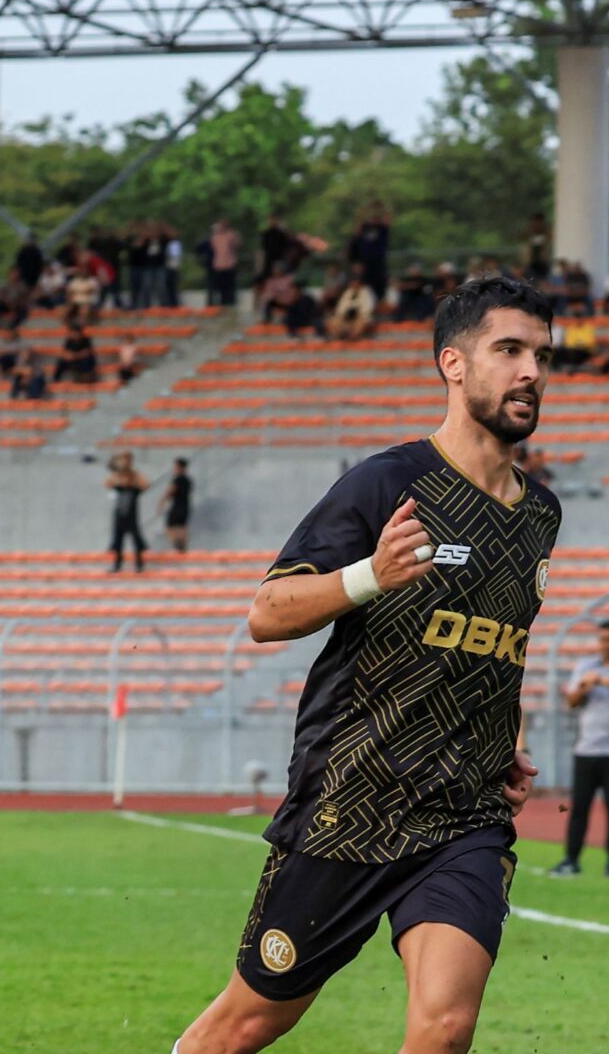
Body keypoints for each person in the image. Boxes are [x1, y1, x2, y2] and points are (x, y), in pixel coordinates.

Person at [175, 275, 558, 1054]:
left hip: (464, 815)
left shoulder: (541, 512)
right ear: (453, 363)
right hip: (352, 805)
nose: (531, 371)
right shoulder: (387, 483)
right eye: (509, 349)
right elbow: (265, 613)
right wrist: (368, 576)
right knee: (247, 1024)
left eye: (542, 355)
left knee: (445, 1027)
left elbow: (495, 643)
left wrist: (507, 737)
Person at [554, 620, 609, 878]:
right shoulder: (585, 666)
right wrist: (585, 686)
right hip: (586, 749)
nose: (605, 645)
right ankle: (571, 859)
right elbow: (571, 701)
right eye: (602, 639)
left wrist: (601, 679)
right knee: (579, 808)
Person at [105, 452, 149, 573]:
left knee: (136, 540)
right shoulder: (118, 488)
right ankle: (117, 564)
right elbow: (107, 483)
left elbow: (145, 484)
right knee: (117, 541)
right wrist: (119, 472)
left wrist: (133, 474)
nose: (125, 480)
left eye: (127, 478)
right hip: (119, 518)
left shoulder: (135, 489)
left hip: (132, 518)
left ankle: (139, 564)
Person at [159, 458, 196, 554]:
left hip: (177, 506)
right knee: (182, 526)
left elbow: (171, 491)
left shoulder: (177, 479)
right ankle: (183, 547)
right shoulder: (188, 480)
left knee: (169, 526)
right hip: (186, 506)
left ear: (179, 467)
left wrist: (162, 502)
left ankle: (177, 545)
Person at [208, 220, 242, 308]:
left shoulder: (232, 235)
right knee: (220, 289)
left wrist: (233, 237)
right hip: (219, 266)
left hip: (230, 265)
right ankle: (221, 306)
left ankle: (230, 306)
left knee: (230, 289)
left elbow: (237, 245)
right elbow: (213, 248)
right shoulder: (215, 237)